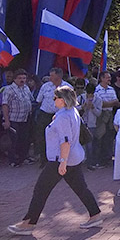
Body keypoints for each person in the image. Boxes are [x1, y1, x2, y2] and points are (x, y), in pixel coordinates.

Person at [7, 86, 102, 236]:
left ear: (63, 100)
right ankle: (95, 214)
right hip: (73, 157)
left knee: (41, 190)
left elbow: (65, 141)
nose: (53, 100)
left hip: (60, 159)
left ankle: (29, 223)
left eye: (55, 97)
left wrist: (62, 162)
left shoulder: (64, 116)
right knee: (80, 188)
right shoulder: (71, 112)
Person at [34, 68, 72, 165]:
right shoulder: (45, 86)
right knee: (43, 137)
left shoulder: (67, 87)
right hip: (45, 115)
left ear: (58, 76)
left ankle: (60, 159)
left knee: (61, 138)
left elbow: (71, 104)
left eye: (52, 76)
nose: (50, 78)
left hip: (61, 116)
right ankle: (44, 160)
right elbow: (38, 100)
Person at [2, 69, 35, 167]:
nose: (22, 80)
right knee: (13, 141)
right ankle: (13, 160)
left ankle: (23, 158)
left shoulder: (26, 88)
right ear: (15, 79)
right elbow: (5, 105)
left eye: (24, 78)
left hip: (25, 119)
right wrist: (6, 120)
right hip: (13, 119)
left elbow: (31, 100)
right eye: (20, 78)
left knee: (24, 139)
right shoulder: (8, 89)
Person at [95, 71, 120, 168]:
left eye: (109, 77)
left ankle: (108, 158)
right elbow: (100, 104)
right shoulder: (97, 90)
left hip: (110, 115)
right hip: (101, 116)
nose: (109, 79)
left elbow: (117, 102)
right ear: (101, 78)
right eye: (107, 77)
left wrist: (108, 103)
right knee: (100, 136)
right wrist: (111, 103)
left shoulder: (111, 89)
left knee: (109, 136)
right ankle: (99, 159)